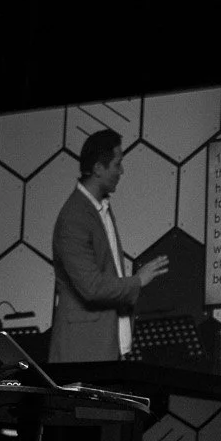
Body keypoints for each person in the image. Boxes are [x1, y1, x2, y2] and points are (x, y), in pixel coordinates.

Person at [48, 129, 168, 362]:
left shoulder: (99, 208)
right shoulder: (74, 217)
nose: (121, 171)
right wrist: (138, 280)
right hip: (83, 353)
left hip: (105, 348)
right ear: (98, 169)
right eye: (117, 164)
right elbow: (91, 288)